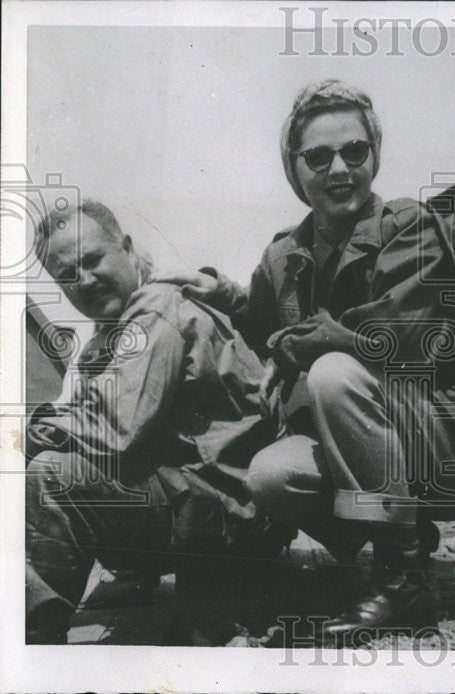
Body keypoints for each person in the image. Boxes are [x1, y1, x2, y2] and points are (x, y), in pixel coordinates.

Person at [155, 79, 455, 646]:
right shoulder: (282, 254)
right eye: (318, 156)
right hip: (366, 440)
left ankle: (404, 576)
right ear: (294, 169)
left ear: (374, 156)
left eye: (355, 152)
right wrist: (224, 294)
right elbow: (261, 329)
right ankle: (404, 533)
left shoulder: (411, 226)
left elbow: (398, 336)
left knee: (333, 370)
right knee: (271, 474)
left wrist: (311, 343)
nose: (339, 169)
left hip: (441, 438)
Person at [25, 200, 290, 644]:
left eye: (92, 260)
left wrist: (28, 433)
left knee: (52, 476)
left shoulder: (154, 308)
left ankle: (31, 644)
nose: (84, 280)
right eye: (67, 275)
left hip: (230, 516)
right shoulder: (108, 334)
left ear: (127, 248)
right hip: (212, 506)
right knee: (66, 461)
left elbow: (116, 428)